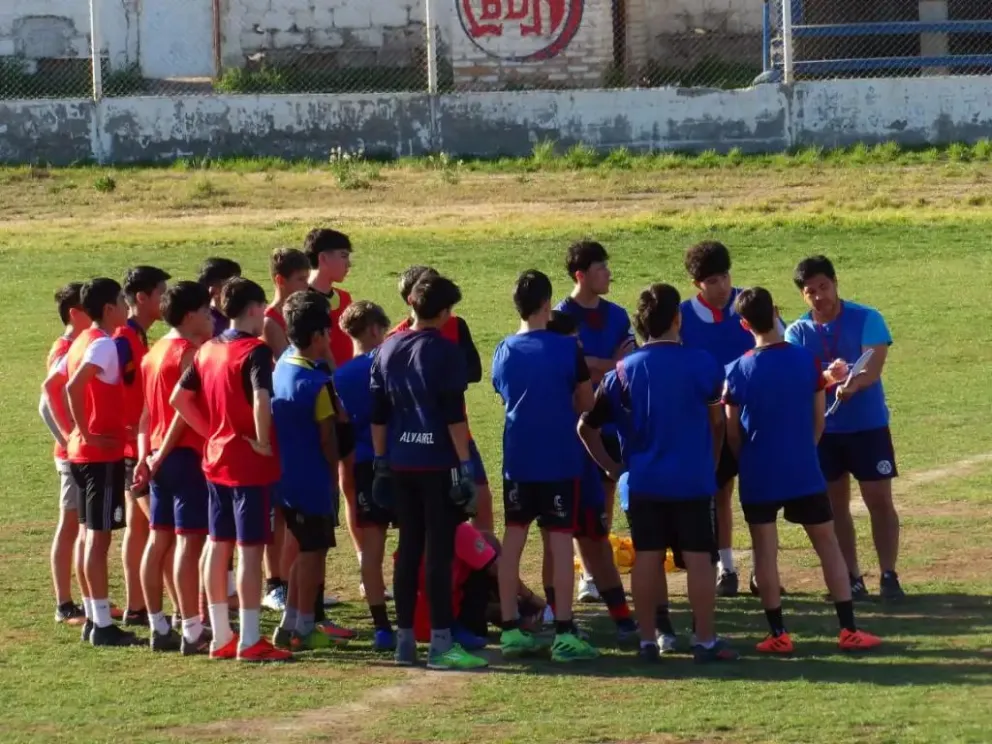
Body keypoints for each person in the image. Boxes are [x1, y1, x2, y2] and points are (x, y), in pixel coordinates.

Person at [578, 284, 738, 664]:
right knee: (700, 559)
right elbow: (717, 423)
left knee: (648, 557)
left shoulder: (622, 371)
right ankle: (704, 639)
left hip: (644, 481)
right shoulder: (703, 364)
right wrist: (712, 461)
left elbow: (586, 427)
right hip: (692, 479)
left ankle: (648, 639)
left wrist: (613, 468)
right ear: (677, 319)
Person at [725, 287, 883, 652]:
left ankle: (778, 635)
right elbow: (818, 422)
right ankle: (848, 629)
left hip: (759, 471)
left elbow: (732, 432)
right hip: (802, 468)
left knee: (765, 550)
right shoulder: (807, 362)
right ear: (777, 311)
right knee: (827, 544)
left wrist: (747, 457)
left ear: (745, 324)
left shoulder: (736, 370)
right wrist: (804, 450)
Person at [370, 273, 487, 670]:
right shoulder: (444, 350)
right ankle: (440, 644)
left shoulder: (386, 349)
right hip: (438, 463)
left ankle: (405, 642)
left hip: (400, 463)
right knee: (438, 555)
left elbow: (378, 415)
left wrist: (382, 461)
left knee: (407, 552)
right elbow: (454, 414)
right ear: (445, 311)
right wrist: (465, 464)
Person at [172, 277, 291, 662]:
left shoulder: (207, 349)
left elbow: (180, 399)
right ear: (255, 308)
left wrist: (212, 433)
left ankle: (222, 634)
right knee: (251, 551)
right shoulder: (254, 350)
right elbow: (261, 397)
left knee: (218, 545)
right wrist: (262, 438)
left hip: (216, 459)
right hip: (248, 464)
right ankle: (251, 638)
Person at [492, 270, 599, 662]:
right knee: (558, 542)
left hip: (518, 461)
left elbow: (504, 395)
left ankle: (509, 629)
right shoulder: (566, 349)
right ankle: (565, 631)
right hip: (558, 460)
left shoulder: (503, 349)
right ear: (545, 304)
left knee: (513, 542)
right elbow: (586, 404)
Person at [786, 255, 905, 601]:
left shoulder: (868, 318)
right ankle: (851, 577)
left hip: (868, 427)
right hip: (825, 432)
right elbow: (800, 378)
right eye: (810, 291)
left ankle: (888, 574)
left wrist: (853, 384)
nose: (819, 296)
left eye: (824, 287)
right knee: (835, 507)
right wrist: (827, 378)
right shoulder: (797, 332)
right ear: (803, 296)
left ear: (836, 283)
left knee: (879, 501)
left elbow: (873, 366)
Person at [43, 278, 138, 647]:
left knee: (87, 536)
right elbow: (69, 387)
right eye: (121, 300)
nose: (126, 306)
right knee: (98, 541)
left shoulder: (81, 341)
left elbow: (52, 386)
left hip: (83, 454)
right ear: (110, 308)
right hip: (99, 454)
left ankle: (92, 616)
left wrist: (72, 436)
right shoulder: (103, 345)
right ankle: (100, 623)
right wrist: (86, 431)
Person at [544, 310, 638, 644]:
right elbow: (585, 407)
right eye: (575, 340)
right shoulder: (564, 366)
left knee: (582, 540)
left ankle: (617, 618)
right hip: (569, 468)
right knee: (575, 542)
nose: (580, 345)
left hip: (568, 467)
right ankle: (565, 620)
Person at [133, 280, 215, 653]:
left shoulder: (153, 353)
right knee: (188, 542)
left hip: (157, 456)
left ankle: (158, 624)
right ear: (190, 315)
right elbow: (182, 412)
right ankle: (192, 628)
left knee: (158, 538)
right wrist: (164, 453)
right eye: (206, 309)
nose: (211, 315)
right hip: (182, 455)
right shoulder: (188, 353)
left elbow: (147, 414)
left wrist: (144, 458)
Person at [555, 241, 635, 602]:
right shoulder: (561, 315)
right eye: (602, 268)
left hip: (615, 418)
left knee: (606, 491)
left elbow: (628, 361)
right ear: (581, 275)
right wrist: (606, 362)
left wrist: (593, 361)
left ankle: (600, 568)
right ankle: (588, 574)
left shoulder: (617, 314)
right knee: (582, 499)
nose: (610, 274)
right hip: (578, 419)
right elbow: (570, 363)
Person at [388, 265, 493, 536]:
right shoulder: (396, 339)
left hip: (459, 430)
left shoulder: (457, 325)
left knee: (481, 501)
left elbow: (475, 370)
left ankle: (484, 567)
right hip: (422, 441)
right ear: (413, 299)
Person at [271, 291, 343, 652]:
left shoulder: (282, 364)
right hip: (312, 480)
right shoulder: (315, 385)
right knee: (314, 554)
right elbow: (329, 438)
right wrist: (333, 479)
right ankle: (303, 625)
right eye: (327, 335)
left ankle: (290, 623)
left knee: (301, 550)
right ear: (317, 336)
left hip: (283, 479)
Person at [335, 300, 397, 651]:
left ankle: (382, 627)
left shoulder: (340, 376)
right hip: (400, 460)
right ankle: (424, 614)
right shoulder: (392, 364)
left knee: (371, 550)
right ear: (375, 330)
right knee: (418, 541)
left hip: (363, 466)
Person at [115, 265, 171, 628]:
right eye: (161, 293)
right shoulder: (124, 340)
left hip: (135, 447)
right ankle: (175, 610)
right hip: (134, 450)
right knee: (161, 530)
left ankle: (137, 606)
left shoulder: (142, 337)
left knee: (139, 529)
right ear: (142, 297)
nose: (165, 300)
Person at [260, 247, 312, 615]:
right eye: (298, 280)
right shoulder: (269, 320)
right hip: (276, 421)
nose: (304, 286)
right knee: (276, 510)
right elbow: (283, 366)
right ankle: (274, 583)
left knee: (289, 508)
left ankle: (295, 579)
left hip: (290, 423)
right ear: (280, 280)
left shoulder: (296, 315)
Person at [40, 283, 90, 626]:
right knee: (70, 524)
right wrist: (68, 441)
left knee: (84, 524)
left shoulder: (81, 345)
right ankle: (64, 604)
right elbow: (45, 403)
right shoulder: (65, 349)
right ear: (75, 313)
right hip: (73, 454)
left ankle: (87, 599)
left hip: (81, 451)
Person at [304, 228, 354, 369]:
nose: (348, 264)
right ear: (323, 258)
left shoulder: (345, 298)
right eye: (343, 256)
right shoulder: (301, 301)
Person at [197, 257, 242, 338]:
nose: (239, 286)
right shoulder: (207, 321)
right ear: (215, 288)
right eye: (234, 282)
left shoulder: (237, 313)